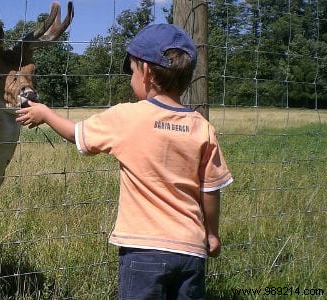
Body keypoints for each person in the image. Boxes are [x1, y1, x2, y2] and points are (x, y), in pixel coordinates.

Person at [16, 24, 233, 299]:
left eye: (131, 70)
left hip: (142, 251)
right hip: (191, 251)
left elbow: (77, 134)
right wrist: (212, 233)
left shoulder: (127, 117)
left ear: (147, 73)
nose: (131, 78)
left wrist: (45, 114)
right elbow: (210, 190)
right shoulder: (202, 128)